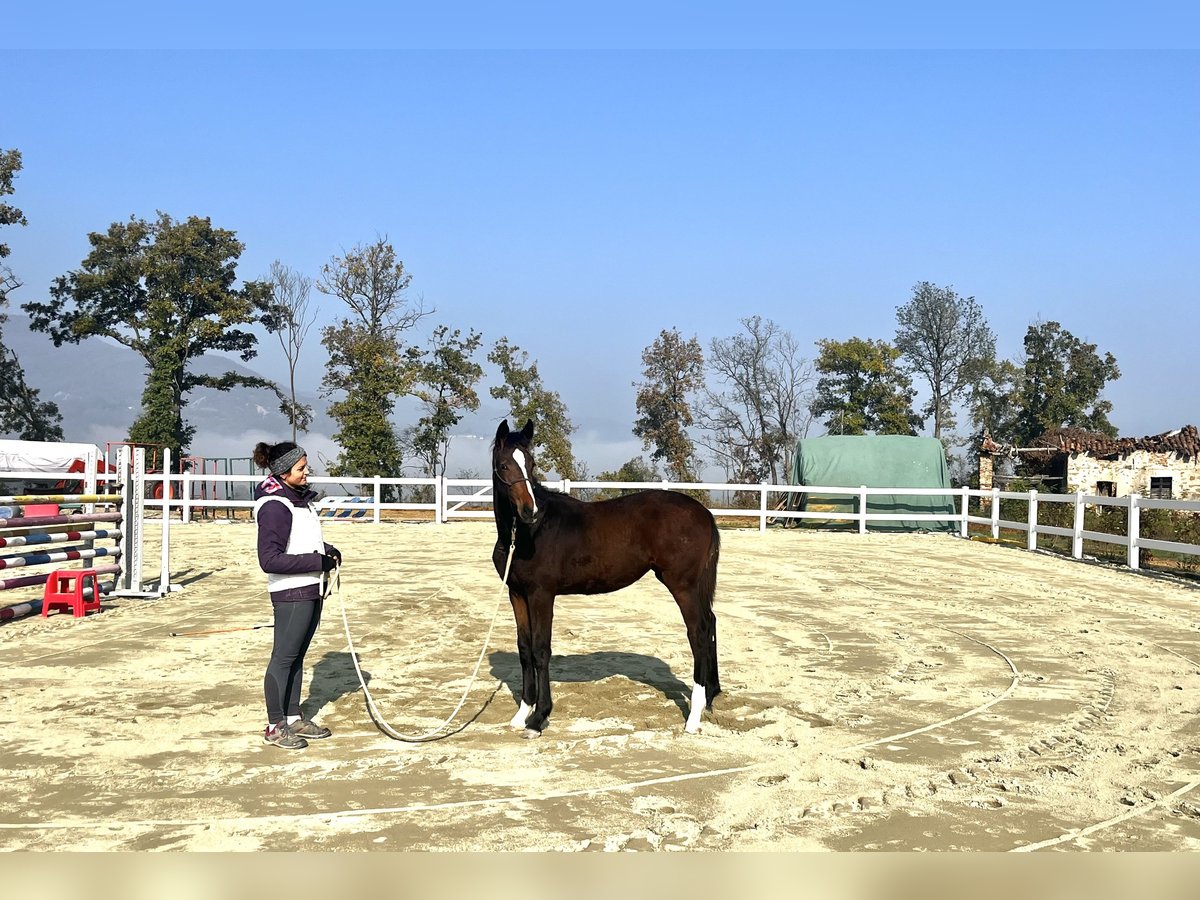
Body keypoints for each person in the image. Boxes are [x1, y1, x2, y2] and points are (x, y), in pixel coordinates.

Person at [252, 440, 341, 750]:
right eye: (301, 468)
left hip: (311, 588)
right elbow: (269, 559)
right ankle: (275, 726)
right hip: (291, 593)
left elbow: (300, 541)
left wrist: (327, 551)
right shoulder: (274, 505)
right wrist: (317, 562)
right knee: (283, 658)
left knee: (297, 656)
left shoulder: (298, 500)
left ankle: (293, 717)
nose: (306, 472)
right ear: (283, 471)